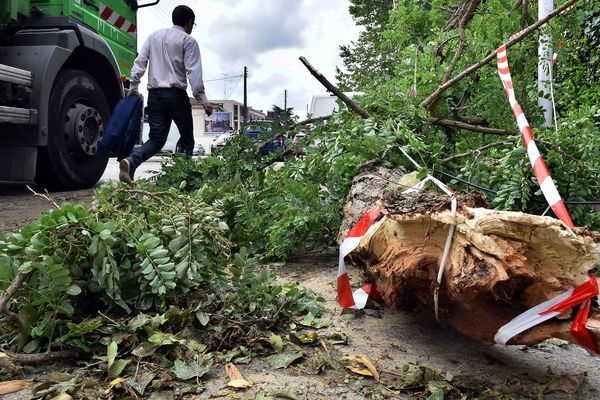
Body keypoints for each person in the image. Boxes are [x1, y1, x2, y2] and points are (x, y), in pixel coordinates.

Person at [119, 5, 213, 184]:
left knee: (155, 139)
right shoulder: (188, 41)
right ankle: (180, 180)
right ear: (190, 22)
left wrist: (134, 86)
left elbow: (140, 62)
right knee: (186, 138)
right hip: (176, 96)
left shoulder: (154, 36)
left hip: (154, 95)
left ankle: (131, 161)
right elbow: (194, 73)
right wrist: (203, 101)